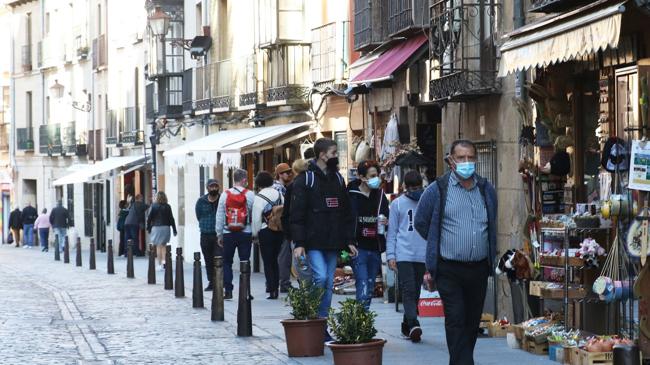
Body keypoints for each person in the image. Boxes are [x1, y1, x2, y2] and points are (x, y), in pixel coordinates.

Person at [414, 139, 497, 365]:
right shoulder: (438, 189)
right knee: (455, 318)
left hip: (478, 268)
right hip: (448, 268)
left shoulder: (486, 189)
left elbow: (492, 223)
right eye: (461, 158)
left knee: (471, 323)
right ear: (451, 160)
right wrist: (437, 244)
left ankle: (460, 361)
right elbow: (421, 222)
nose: (466, 162)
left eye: (471, 157)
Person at [290, 138, 355, 331]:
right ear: (322, 155)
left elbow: (346, 212)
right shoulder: (305, 180)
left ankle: (322, 322)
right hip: (313, 240)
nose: (336, 156)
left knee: (327, 281)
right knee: (320, 277)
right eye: (334, 153)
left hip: (333, 240)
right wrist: (299, 242)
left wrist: (349, 240)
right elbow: (297, 213)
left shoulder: (337, 179)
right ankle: (315, 315)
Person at [386, 170, 427, 342]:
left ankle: (406, 326)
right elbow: (392, 231)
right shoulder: (397, 204)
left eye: (418, 187)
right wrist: (390, 255)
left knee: (416, 291)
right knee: (408, 289)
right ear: (405, 187)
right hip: (403, 253)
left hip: (422, 253)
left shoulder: (427, 201)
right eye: (412, 188)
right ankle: (414, 323)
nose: (415, 191)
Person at [347, 160, 389, 310]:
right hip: (358, 247)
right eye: (372, 175)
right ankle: (359, 322)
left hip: (375, 246)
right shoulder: (350, 195)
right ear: (361, 177)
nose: (376, 178)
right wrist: (348, 242)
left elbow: (386, 215)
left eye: (377, 175)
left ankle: (362, 320)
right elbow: (345, 219)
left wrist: (386, 221)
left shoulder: (380, 195)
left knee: (370, 286)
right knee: (363, 282)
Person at [215, 168, 255, 300]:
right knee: (245, 261)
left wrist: (219, 233)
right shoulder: (250, 195)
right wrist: (254, 232)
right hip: (245, 232)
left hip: (228, 232)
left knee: (227, 262)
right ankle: (246, 291)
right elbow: (254, 215)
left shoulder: (225, 195)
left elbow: (220, 215)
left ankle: (228, 290)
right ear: (244, 180)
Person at [252, 171, 285, 299]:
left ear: (259, 184)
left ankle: (271, 289)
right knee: (275, 260)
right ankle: (276, 287)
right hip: (278, 229)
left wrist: (255, 233)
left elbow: (256, 218)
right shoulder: (279, 193)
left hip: (265, 230)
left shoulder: (259, 197)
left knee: (267, 261)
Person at [281, 153, 312, 283]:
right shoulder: (311, 183)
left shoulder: (292, 186)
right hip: (311, 231)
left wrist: (289, 234)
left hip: (297, 233)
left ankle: (306, 289)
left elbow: (287, 212)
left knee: (302, 264)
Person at [195, 178, 221, 291]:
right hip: (205, 234)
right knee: (208, 259)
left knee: (218, 258)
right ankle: (211, 281)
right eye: (212, 186)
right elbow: (198, 215)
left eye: (216, 186)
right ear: (207, 188)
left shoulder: (222, 199)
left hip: (218, 235)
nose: (214, 188)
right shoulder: (201, 201)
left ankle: (219, 281)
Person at [272, 162, 294, 293]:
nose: (289, 174)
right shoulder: (280, 188)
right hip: (281, 225)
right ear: (280, 174)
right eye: (287, 172)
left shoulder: (280, 187)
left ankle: (279, 282)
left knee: (281, 255)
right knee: (284, 255)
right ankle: (284, 283)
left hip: (277, 226)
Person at [146, 191, 177, 270]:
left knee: (158, 247)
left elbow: (149, 218)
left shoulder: (153, 206)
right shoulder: (168, 206)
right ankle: (164, 263)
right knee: (164, 246)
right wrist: (174, 229)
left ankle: (159, 264)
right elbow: (171, 219)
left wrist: (148, 228)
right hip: (166, 228)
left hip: (156, 228)